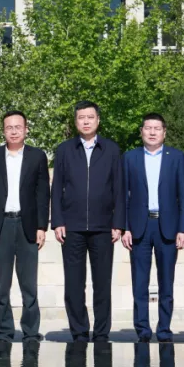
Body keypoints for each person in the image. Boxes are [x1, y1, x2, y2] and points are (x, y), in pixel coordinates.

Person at [52, 100, 125, 342]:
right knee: (74, 284)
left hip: (103, 227)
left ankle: (102, 332)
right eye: (81, 117)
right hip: (71, 228)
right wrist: (58, 221)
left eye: (90, 117)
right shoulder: (64, 150)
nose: (86, 121)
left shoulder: (111, 150)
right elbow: (57, 187)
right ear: (75, 122)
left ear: (98, 120)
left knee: (102, 283)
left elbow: (119, 189)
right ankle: (79, 331)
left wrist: (118, 223)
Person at [0, 110, 50, 342]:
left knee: (29, 284)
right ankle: (3, 332)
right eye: (9, 127)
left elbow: (43, 194)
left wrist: (42, 227)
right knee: (2, 285)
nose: (14, 131)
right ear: (3, 131)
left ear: (26, 129)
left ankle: (30, 331)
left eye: (18, 127)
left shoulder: (37, 156)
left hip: (27, 225)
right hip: (0, 226)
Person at [121, 113, 184, 342]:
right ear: (141, 131)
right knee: (139, 282)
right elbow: (123, 196)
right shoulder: (130, 157)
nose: (152, 132)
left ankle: (164, 329)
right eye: (148, 128)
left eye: (157, 128)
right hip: (139, 227)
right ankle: (142, 329)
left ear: (164, 132)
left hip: (167, 226)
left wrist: (183, 229)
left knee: (166, 282)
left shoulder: (176, 157)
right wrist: (125, 227)